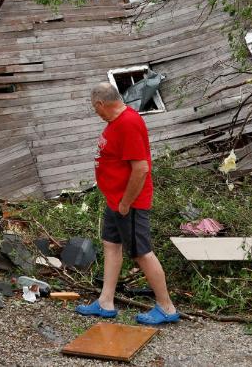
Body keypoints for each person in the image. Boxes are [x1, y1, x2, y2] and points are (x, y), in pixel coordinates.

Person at [75, 82, 179, 325]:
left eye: (95, 108)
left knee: (142, 252)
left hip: (129, 203)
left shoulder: (129, 123)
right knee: (111, 245)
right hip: (115, 200)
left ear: (101, 104)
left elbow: (141, 168)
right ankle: (105, 302)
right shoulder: (116, 123)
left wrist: (125, 203)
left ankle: (166, 306)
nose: (96, 113)